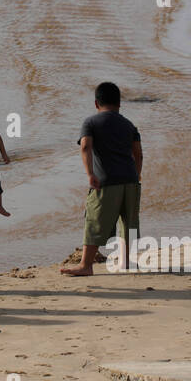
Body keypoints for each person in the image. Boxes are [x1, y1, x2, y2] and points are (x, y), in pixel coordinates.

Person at [61, 82, 143, 278]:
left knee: (94, 220)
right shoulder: (129, 125)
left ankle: (86, 265)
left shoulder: (91, 123)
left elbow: (85, 147)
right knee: (129, 221)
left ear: (96, 103)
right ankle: (125, 261)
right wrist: (136, 175)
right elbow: (138, 154)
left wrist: (90, 173)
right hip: (131, 180)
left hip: (107, 180)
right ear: (119, 103)